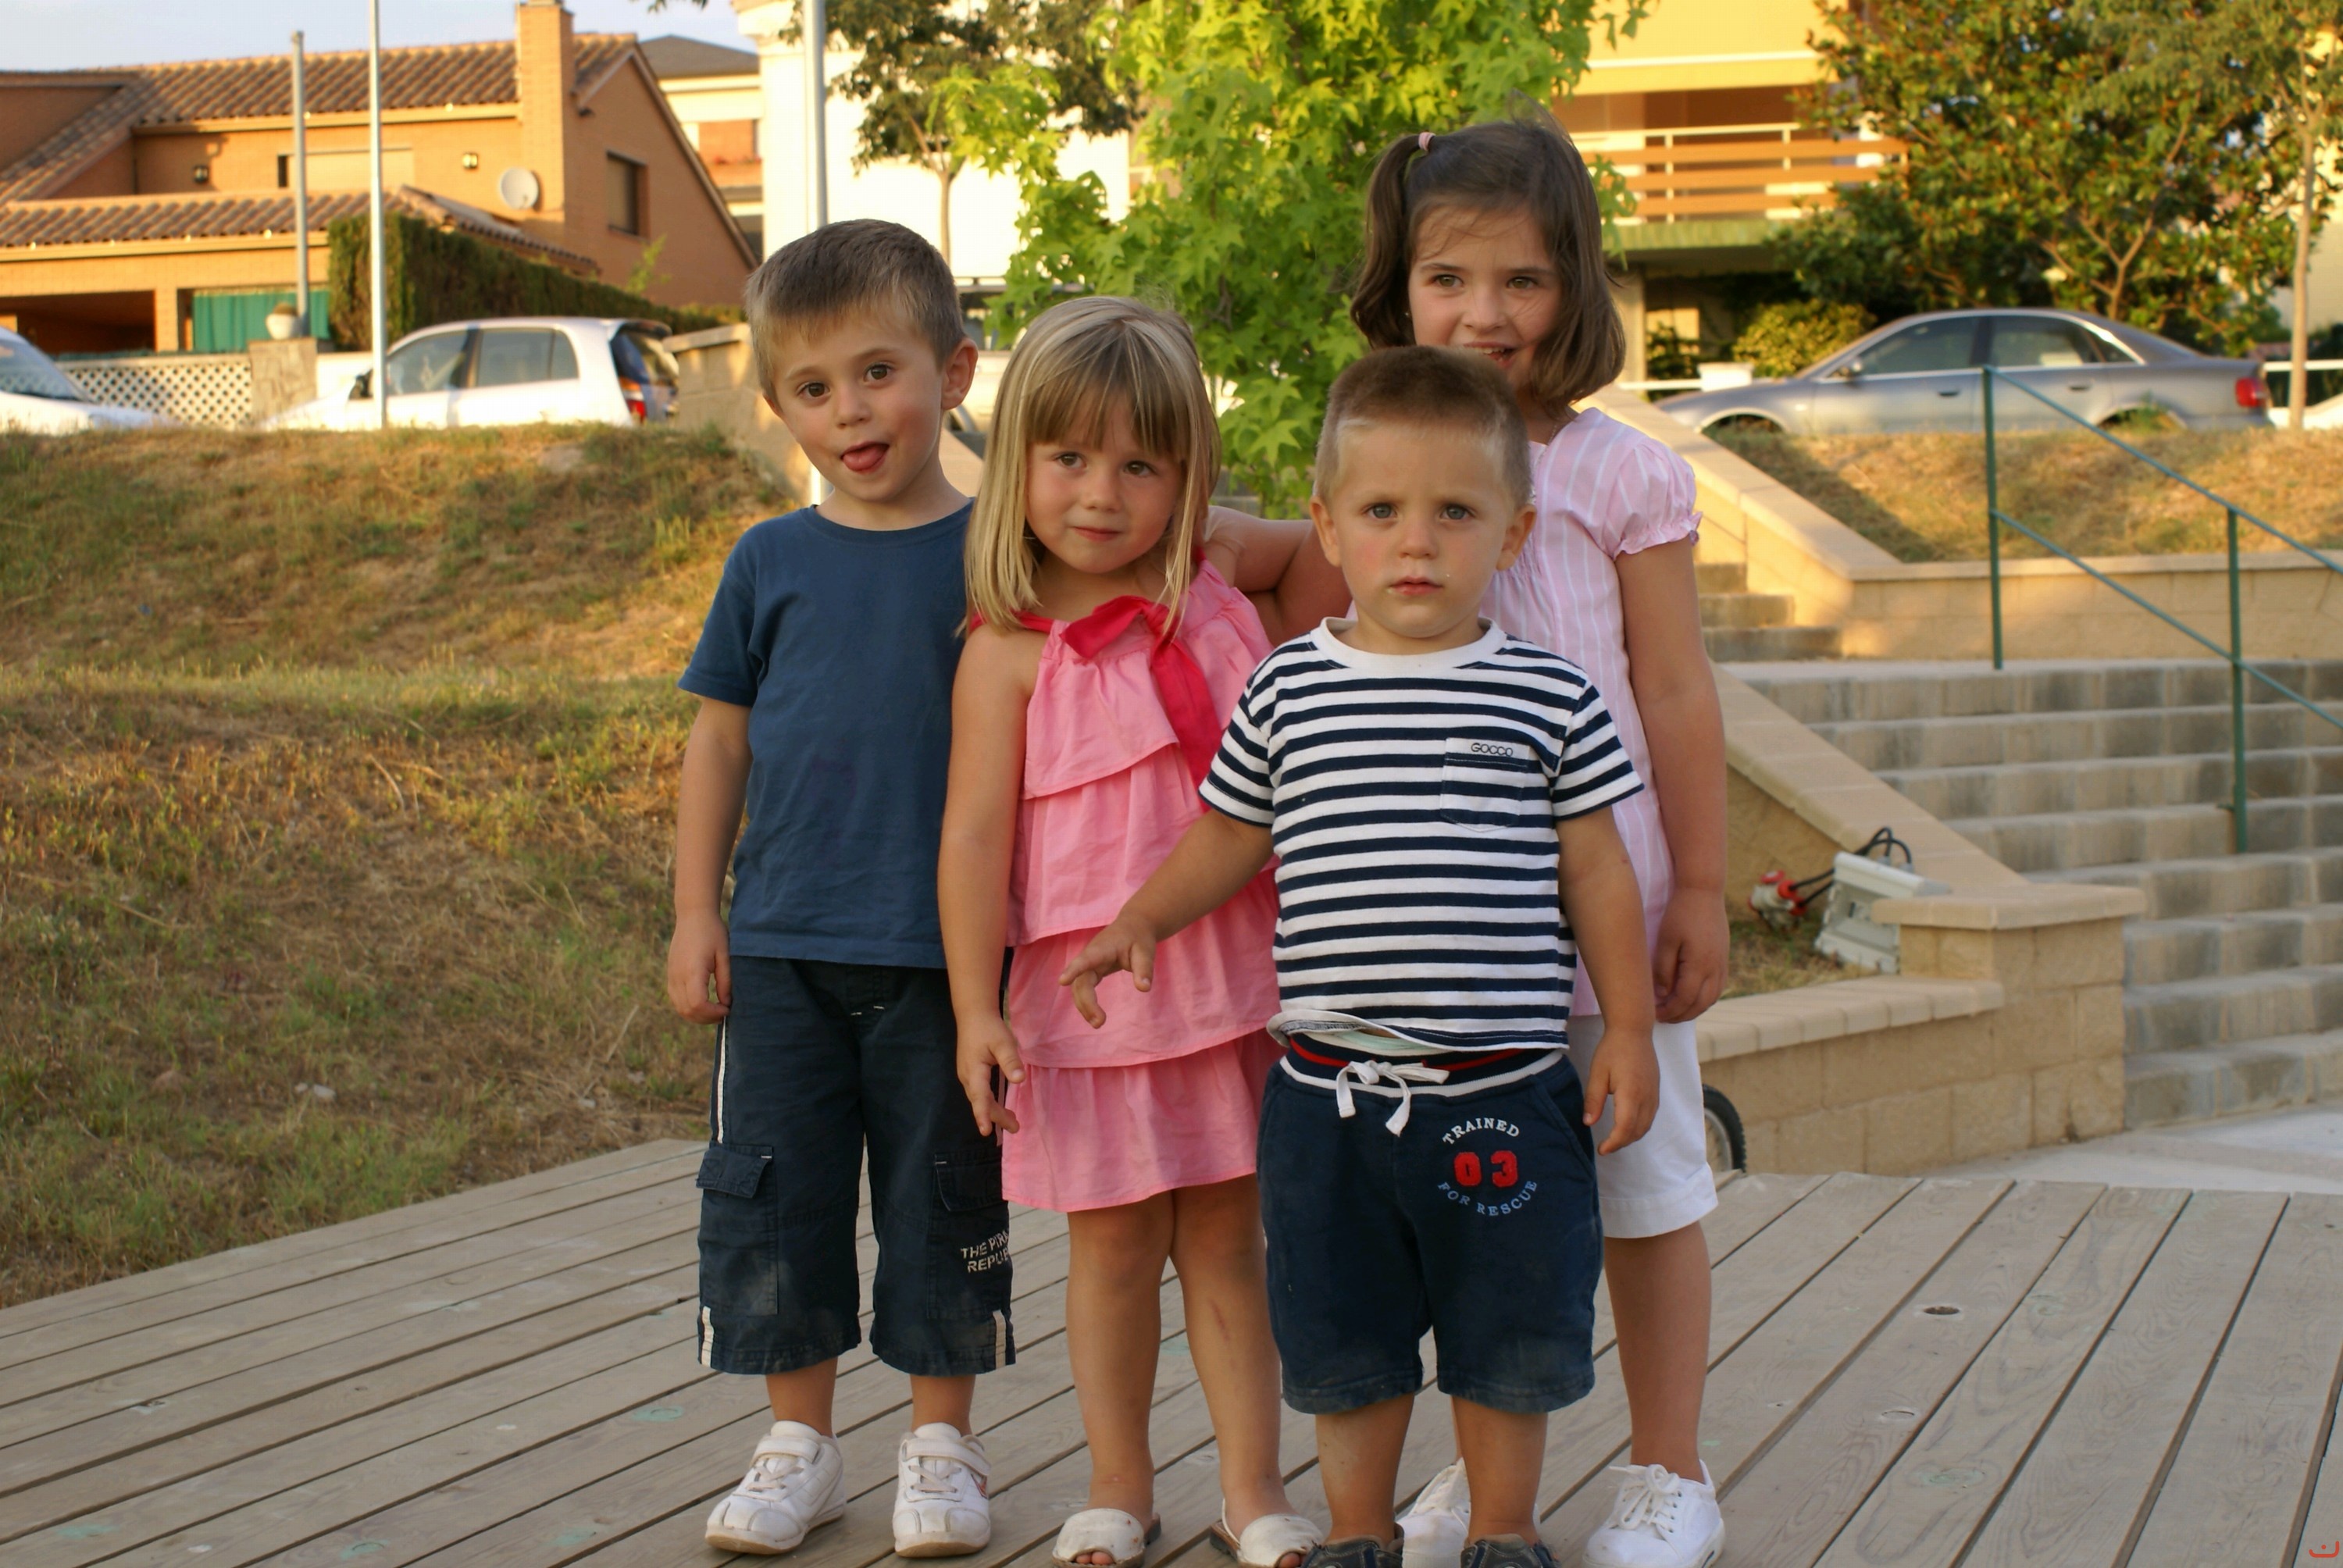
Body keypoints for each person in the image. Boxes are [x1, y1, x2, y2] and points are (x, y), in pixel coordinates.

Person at [1061, 344, 1662, 1568]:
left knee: (1509, 1334)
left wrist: (1633, 1030)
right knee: (1345, 1340)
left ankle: (1503, 1529)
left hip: (1503, 1092)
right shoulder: (1288, 689)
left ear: (1513, 533)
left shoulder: (1548, 697)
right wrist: (1141, 917)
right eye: (1382, 511)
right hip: (1327, 1100)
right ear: (1328, 527)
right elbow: (1229, 835)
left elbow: (1599, 872)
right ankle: (1354, 1531)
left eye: (1456, 513)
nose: (1416, 542)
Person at [1350, 113, 1730, 1568]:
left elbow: (1675, 688)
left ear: (1573, 283)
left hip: (1607, 915)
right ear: (1402, 286)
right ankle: (1480, 1477)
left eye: (1522, 279)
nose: (1486, 314)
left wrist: (1701, 885)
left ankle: (1670, 1471)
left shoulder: (1620, 474)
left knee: (1644, 1193)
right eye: (1448, 279)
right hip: (1446, 923)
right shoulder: (1390, 451)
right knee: (1470, 1208)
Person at [940, 295, 1344, 1568]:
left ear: (1190, 477)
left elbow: (1325, 541)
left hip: (1232, 985)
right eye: (1067, 458)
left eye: (1142, 466)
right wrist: (974, 1009)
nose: (1102, 494)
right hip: (1088, 1004)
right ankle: (1118, 1485)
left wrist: (1219, 530)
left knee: (1229, 1246)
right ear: (1016, 463)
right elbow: (972, 841)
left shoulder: (1218, 596)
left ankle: (1253, 1489)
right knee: (1112, 1249)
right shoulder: (1008, 651)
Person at [667, 219, 1009, 1559]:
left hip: (946, 959)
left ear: (954, 370)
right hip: (782, 949)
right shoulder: (768, 560)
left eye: (879, 372)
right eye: (813, 387)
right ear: (779, 404)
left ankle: (942, 1446)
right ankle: (797, 1446)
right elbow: (719, 743)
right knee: (775, 1195)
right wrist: (696, 909)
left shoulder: (998, 557)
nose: (850, 411)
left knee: (943, 1196)